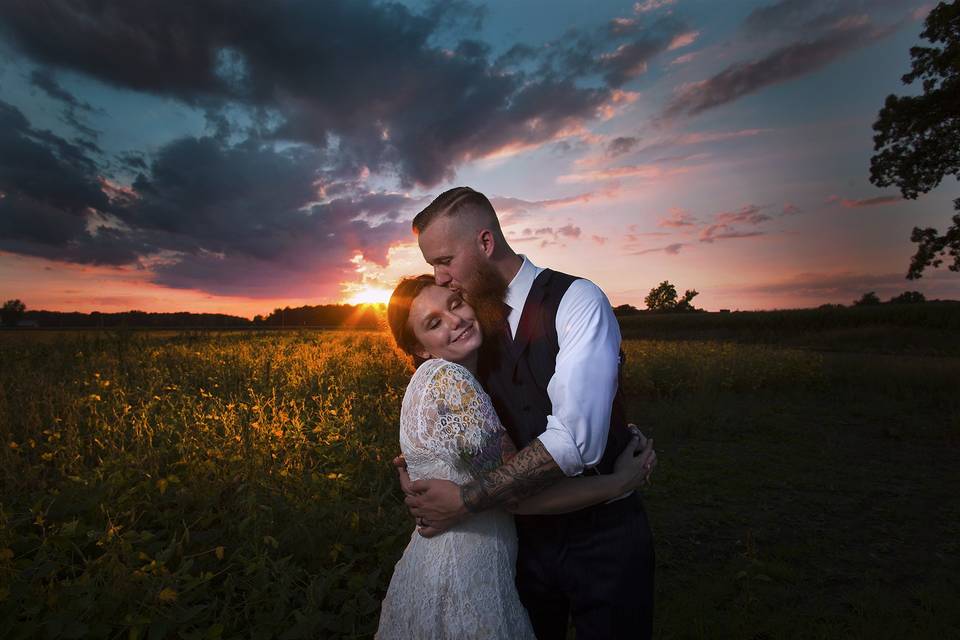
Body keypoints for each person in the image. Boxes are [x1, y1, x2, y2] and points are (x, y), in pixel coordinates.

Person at [399, 187, 656, 639]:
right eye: (432, 267)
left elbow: (575, 442)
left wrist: (465, 499)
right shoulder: (473, 325)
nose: (440, 279)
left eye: (444, 261)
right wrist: (421, 463)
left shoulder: (577, 300)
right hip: (521, 541)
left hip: (604, 536)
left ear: (484, 243)